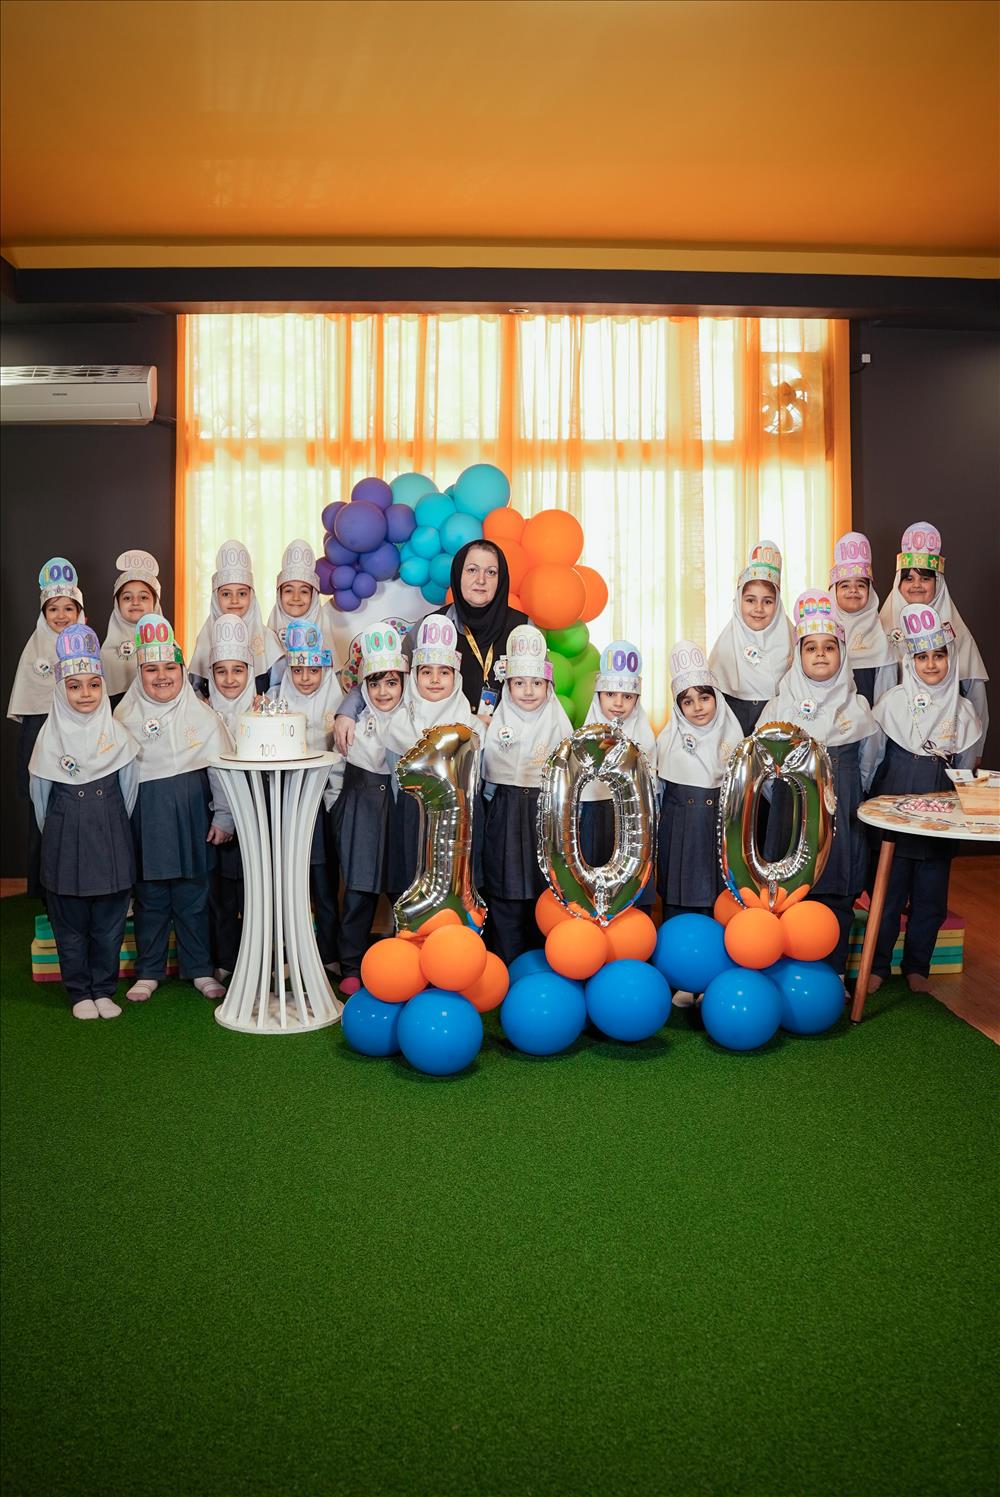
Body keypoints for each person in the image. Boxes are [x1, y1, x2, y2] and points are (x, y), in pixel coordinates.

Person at [759, 590, 880, 982]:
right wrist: (783, 801)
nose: (821, 655)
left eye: (830, 647)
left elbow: (869, 760)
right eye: (811, 648)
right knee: (790, 890)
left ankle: (833, 974)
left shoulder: (857, 708)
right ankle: (783, 972)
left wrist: (845, 790)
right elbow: (761, 765)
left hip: (840, 808)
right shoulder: (780, 707)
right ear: (799, 655)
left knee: (837, 891)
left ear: (842, 653)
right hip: (790, 813)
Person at [114, 613, 234, 1003]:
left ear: (182, 671)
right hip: (147, 818)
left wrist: (224, 815)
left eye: (170, 667)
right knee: (150, 898)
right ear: (139, 674)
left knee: (193, 896)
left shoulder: (203, 717)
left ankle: (199, 968)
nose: (162, 676)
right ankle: (148, 971)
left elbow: (220, 770)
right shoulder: (122, 719)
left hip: (192, 816)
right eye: (151, 669)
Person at [865, 603, 982, 995]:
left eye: (939, 656)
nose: (931, 664)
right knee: (887, 895)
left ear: (950, 659)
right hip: (893, 810)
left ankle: (918, 966)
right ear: (910, 661)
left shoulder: (964, 712)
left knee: (930, 899)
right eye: (922, 657)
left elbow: (964, 770)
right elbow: (872, 758)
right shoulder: (891, 703)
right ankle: (878, 965)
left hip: (939, 819)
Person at [28, 625, 139, 1020]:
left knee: (109, 923)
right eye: (75, 687)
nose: (86, 694)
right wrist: (64, 830)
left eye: (94, 685)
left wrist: (107, 825)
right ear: (61, 690)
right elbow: (41, 801)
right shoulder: (48, 741)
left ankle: (103, 989)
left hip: (110, 840)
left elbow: (128, 793)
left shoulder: (119, 737)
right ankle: (79, 992)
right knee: (70, 924)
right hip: (64, 841)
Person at [334, 538, 527, 753]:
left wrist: (497, 724)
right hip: (441, 753)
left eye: (491, 572)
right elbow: (386, 675)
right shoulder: (430, 627)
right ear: (457, 575)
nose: (481, 580)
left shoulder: (523, 629)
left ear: (501, 579)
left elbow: (542, 693)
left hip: (507, 750)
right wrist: (347, 711)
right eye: (472, 570)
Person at [481, 625, 573, 965]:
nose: (529, 691)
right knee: (504, 888)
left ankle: (541, 964)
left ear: (549, 686)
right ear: (507, 686)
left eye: (537, 683)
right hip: (504, 812)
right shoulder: (492, 725)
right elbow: (484, 778)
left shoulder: (560, 725)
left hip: (543, 814)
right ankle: (507, 962)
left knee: (543, 888)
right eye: (519, 683)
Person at [332, 623, 413, 994]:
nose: (383, 692)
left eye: (392, 683)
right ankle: (351, 964)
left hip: (400, 816)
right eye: (375, 683)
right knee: (358, 894)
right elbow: (337, 769)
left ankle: (406, 960)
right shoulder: (353, 724)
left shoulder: (412, 721)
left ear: (403, 683)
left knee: (402, 891)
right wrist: (338, 810)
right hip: (361, 814)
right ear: (364, 686)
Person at [7, 557, 86, 900]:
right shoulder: (33, 650)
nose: (61, 616)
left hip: (77, 734)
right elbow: (30, 702)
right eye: (53, 609)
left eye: (69, 608)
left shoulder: (88, 644)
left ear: (79, 611)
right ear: (43, 613)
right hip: (40, 734)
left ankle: (75, 881)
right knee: (42, 808)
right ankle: (40, 889)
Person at [879, 522, 989, 761]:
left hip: (945, 745)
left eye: (925, 578)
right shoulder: (880, 629)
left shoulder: (958, 633)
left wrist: (976, 750)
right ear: (898, 583)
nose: (916, 585)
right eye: (908, 578)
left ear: (938, 583)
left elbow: (976, 698)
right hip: (894, 747)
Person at [655, 641, 743, 922]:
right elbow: (658, 795)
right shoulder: (666, 742)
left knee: (721, 900)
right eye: (687, 701)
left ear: (716, 697)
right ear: (678, 707)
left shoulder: (735, 739)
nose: (697, 707)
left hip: (719, 832)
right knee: (679, 901)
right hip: (681, 831)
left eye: (704, 698)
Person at [277, 620, 344, 975]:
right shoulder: (275, 701)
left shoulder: (339, 702)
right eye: (297, 670)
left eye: (313, 670)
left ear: (324, 669)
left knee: (324, 882)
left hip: (324, 804)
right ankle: (289, 954)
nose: (305, 678)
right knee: (290, 884)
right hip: (287, 803)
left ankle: (328, 953)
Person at [579, 641, 657, 907]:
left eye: (628, 696)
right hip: (595, 814)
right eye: (610, 694)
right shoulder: (583, 736)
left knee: (633, 883)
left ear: (637, 699)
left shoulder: (645, 736)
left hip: (634, 819)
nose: (619, 703)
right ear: (598, 695)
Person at [206, 616, 256, 978]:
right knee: (221, 894)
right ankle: (225, 960)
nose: (229, 679)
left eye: (238, 670)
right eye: (220, 671)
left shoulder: (263, 709)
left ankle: (257, 960)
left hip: (256, 814)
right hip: (217, 817)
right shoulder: (201, 712)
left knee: (255, 893)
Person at [709, 539, 796, 736]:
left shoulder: (793, 641)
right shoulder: (726, 646)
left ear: (778, 604)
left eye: (767, 601)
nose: (758, 609)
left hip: (777, 727)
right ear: (738, 601)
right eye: (750, 600)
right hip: (734, 724)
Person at [187, 539, 283, 697]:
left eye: (242, 593)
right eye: (226, 594)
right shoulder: (205, 637)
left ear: (251, 596)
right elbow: (195, 689)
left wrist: (265, 702)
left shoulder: (268, 638)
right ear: (215, 598)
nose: (234, 600)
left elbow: (279, 686)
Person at [828, 531, 896, 708]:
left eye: (860, 585)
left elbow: (887, 697)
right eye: (845, 585)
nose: (853, 590)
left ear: (870, 592)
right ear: (833, 591)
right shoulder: (824, 633)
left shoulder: (882, 635)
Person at [266, 538, 338, 684]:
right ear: (279, 595)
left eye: (304, 591)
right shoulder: (267, 635)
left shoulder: (324, 630)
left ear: (313, 596)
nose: (296, 597)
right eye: (288, 590)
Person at [100, 548, 161, 709]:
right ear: (117, 604)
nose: (135, 602)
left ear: (155, 603)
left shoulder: (170, 646)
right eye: (127, 597)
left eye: (143, 597)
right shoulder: (105, 653)